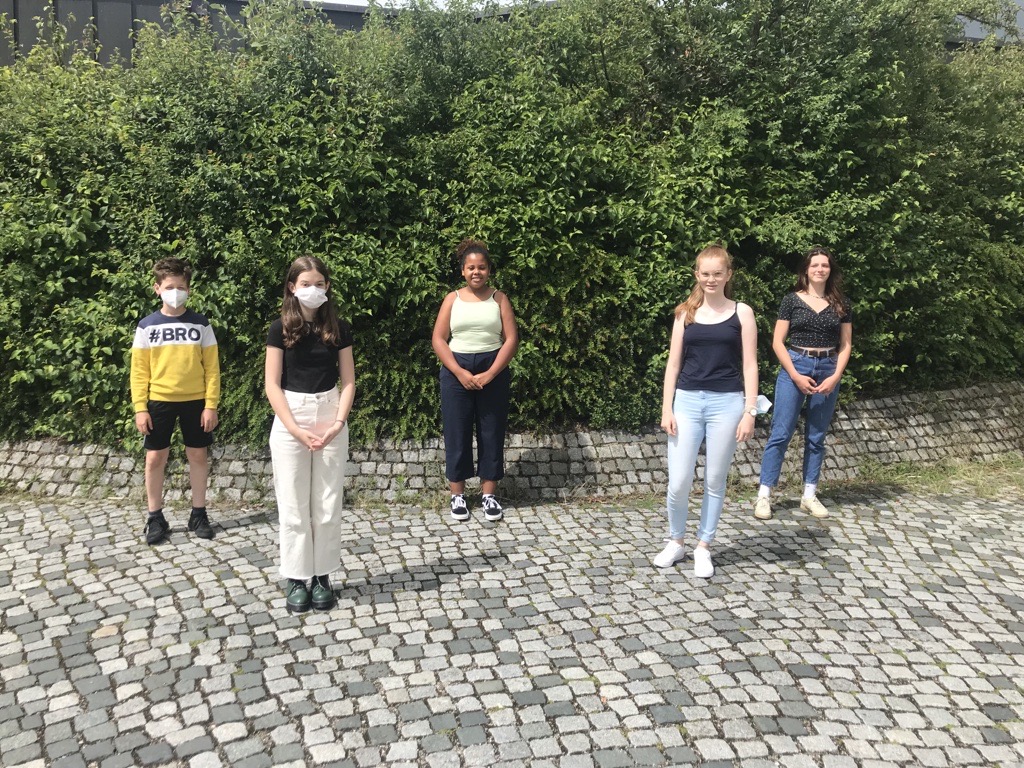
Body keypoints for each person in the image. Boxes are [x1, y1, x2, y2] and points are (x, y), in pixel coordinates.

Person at [654, 244, 758, 578]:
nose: (711, 279)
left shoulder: (742, 313)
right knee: (678, 481)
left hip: (727, 403)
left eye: (717, 273)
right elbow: (673, 365)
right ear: (697, 275)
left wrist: (750, 411)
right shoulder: (684, 314)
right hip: (686, 401)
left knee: (714, 479)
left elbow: (751, 365)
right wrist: (667, 408)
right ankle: (676, 541)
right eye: (705, 273)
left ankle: (704, 546)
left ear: (728, 275)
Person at [265, 255, 356, 614]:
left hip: (330, 413)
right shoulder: (279, 329)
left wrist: (337, 423)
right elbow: (272, 384)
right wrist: (294, 429)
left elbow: (348, 381)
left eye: (319, 284)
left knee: (327, 505)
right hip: (292, 415)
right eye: (305, 284)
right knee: (293, 506)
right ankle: (296, 577)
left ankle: (322, 576)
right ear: (292, 287)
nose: (313, 290)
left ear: (327, 287)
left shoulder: (339, 328)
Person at [754, 247, 852, 520]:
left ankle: (809, 495)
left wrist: (835, 376)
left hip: (828, 368)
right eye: (815, 265)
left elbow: (846, 345)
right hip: (796, 365)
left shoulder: (841, 304)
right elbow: (777, 342)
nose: (820, 269)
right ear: (806, 270)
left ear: (830, 270)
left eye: (825, 265)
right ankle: (764, 495)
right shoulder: (791, 300)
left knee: (816, 436)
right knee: (781, 433)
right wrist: (795, 375)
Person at [131, 257, 221, 545]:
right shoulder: (147, 326)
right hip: (159, 401)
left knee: (198, 455)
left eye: (181, 287)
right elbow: (139, 371)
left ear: (189, 290)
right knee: (155, 458)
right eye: (169, 287)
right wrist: (140, 408)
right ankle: (155, 517)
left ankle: (199, 514)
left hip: (196, 401)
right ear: (157, 288)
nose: (175, 292)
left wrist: (211, 405)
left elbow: (212, 369)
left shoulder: (201, 324)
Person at [432, 239, 519, 522]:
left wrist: (491, 373)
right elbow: (438, 339)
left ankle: (489, 496)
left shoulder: (500, 299)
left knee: (491, 431)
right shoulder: (452, 299)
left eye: (481, 267)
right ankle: (457, 495)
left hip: (493, 369)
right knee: (456, 431)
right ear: (463, 271)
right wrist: (459, 372)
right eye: (471, 268)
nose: (476, 272)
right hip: (456, 370)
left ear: (489, 270)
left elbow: (511, 339)